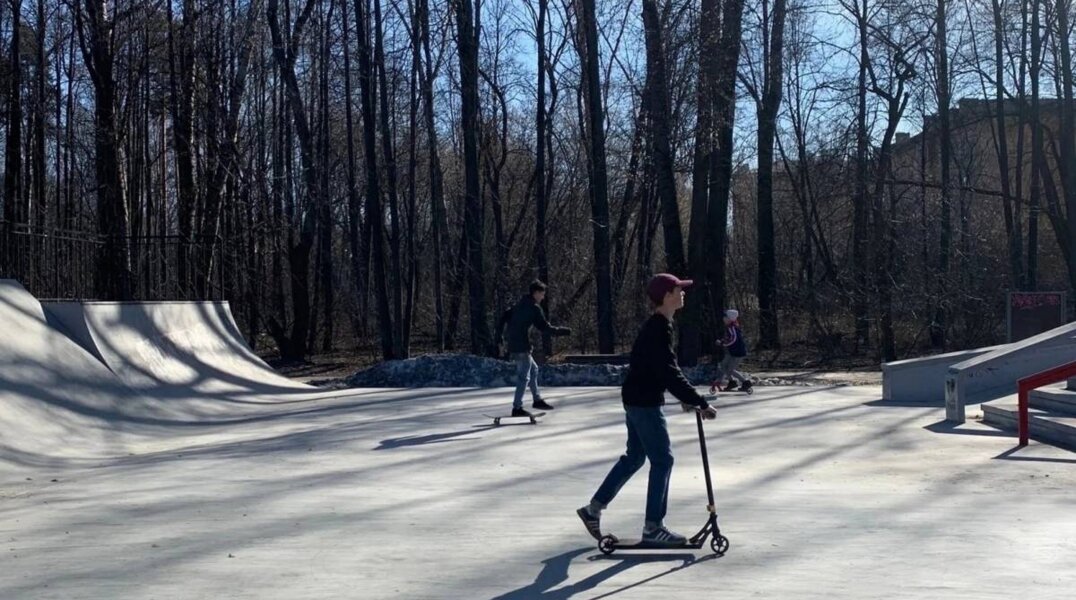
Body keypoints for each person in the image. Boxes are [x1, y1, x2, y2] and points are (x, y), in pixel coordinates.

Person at [576, 273, 717, 545]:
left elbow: (660, 370)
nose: (683, 293)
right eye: (679, 290)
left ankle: (593, 510)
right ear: (666, 296)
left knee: (635, 458)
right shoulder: (659, 328)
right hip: (643, 403)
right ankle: (653, 527)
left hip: (637, 398)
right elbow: (669, 371)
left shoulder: (659, 325)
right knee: (663, 460)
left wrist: (686, 399)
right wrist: (699, 401)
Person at [496, 280, 571, 417]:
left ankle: (537, 400)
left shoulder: (520, 304)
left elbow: (504, 316)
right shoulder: (533, 308)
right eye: (542, 294)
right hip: (521, 346)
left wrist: (499, 336)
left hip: (514, 344)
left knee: (533, 369)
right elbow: (544, 328)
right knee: (523, 377)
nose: (543, 297)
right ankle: (517, 408)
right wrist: (564, 331)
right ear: (535, 293)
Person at [716, 309, 752, 393]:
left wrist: (722, 344)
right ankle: (732, 382)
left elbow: (733, 339)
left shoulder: (732, 327)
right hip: (732, 351)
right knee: (723, 366)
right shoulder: (729, 327)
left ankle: (746, 382)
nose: (723, 319)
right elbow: (729, 338)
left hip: (738, 353)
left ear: (730, 319)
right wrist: (722, 341)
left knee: (730, 370)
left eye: (725, 317)